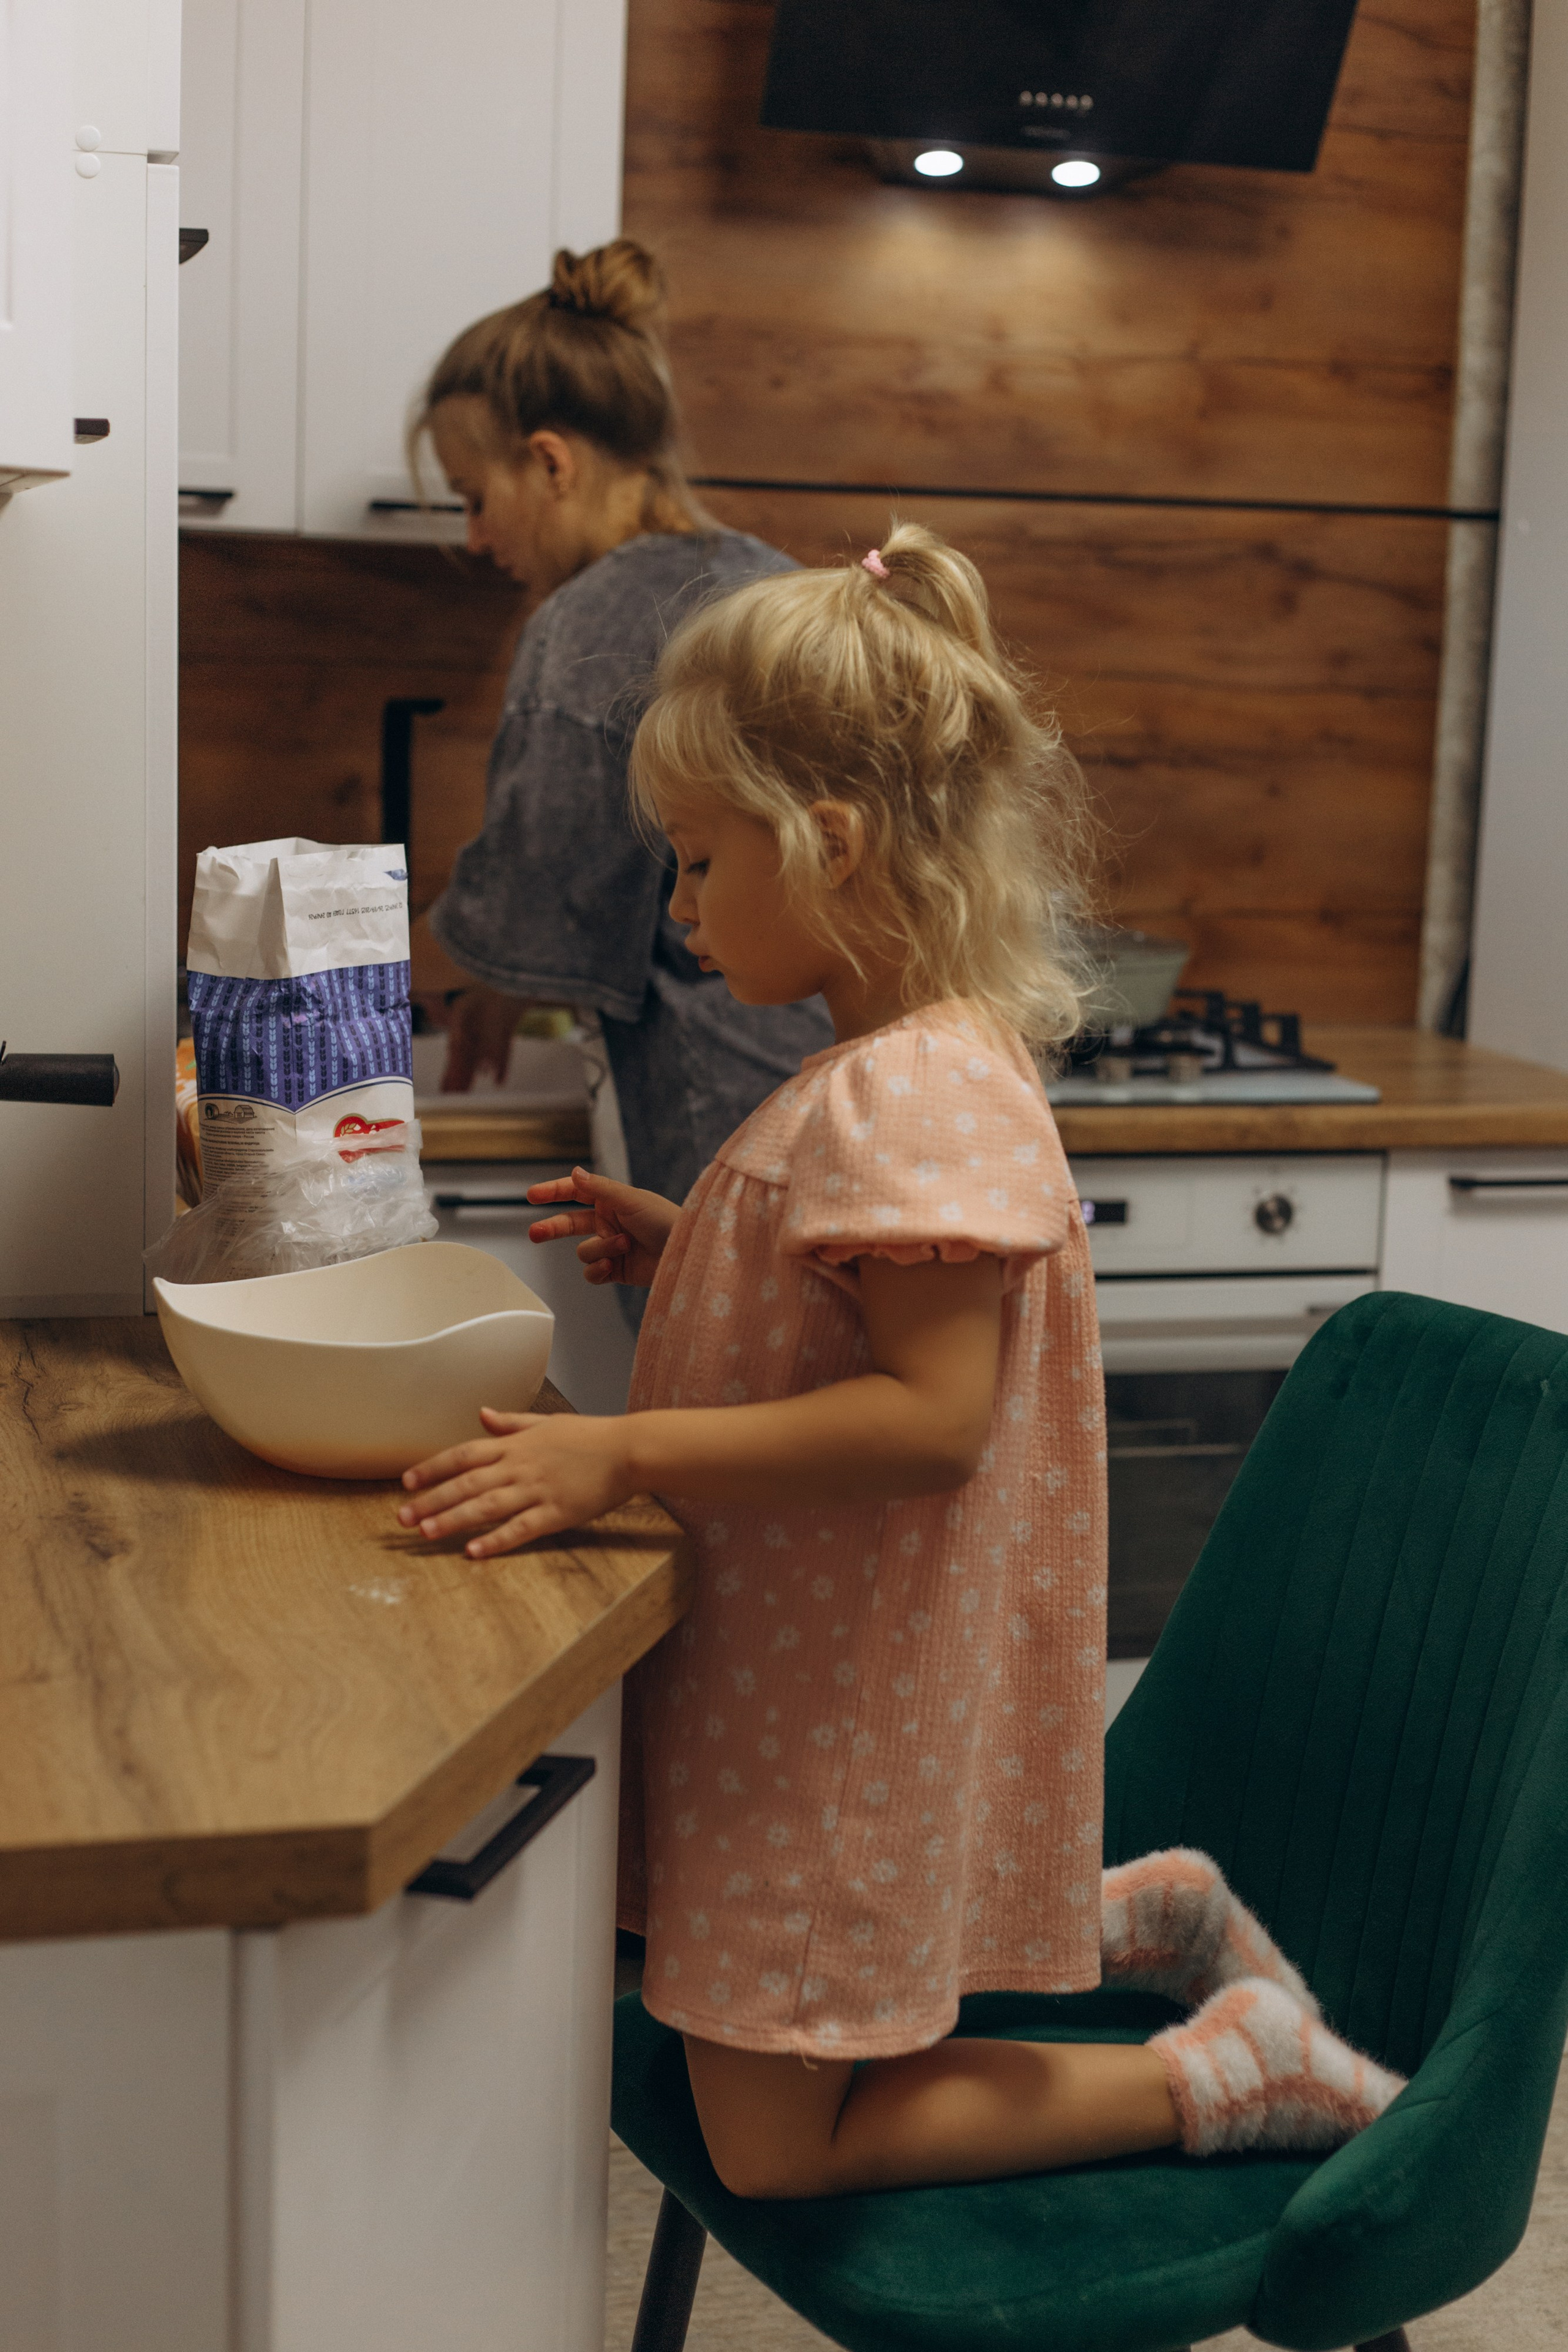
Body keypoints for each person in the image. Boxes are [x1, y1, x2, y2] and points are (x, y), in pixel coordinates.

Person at [396, 527, 1406, 2195]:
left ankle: (1228, 2068)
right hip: (829, 1690)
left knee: (774, 2153)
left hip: (831, 1722)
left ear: (830, 841)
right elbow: (861, 1307)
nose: (681, 907)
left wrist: (617, 1453)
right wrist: (696, 1242)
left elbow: (931, 1417)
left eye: (699, 861)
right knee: (770, 2048)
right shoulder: (913, 1060)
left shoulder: (904, 1089)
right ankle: (1136, 1911)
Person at [410, 236, 832, 1212]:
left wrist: (310, 967)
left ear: (549, 462)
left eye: (475, 499)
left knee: (716, 1311)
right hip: (852, 1081)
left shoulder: (586, 627)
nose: (475, 537)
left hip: (720, 1104)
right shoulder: (772, 582)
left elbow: (519, 902)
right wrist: (506, 979)